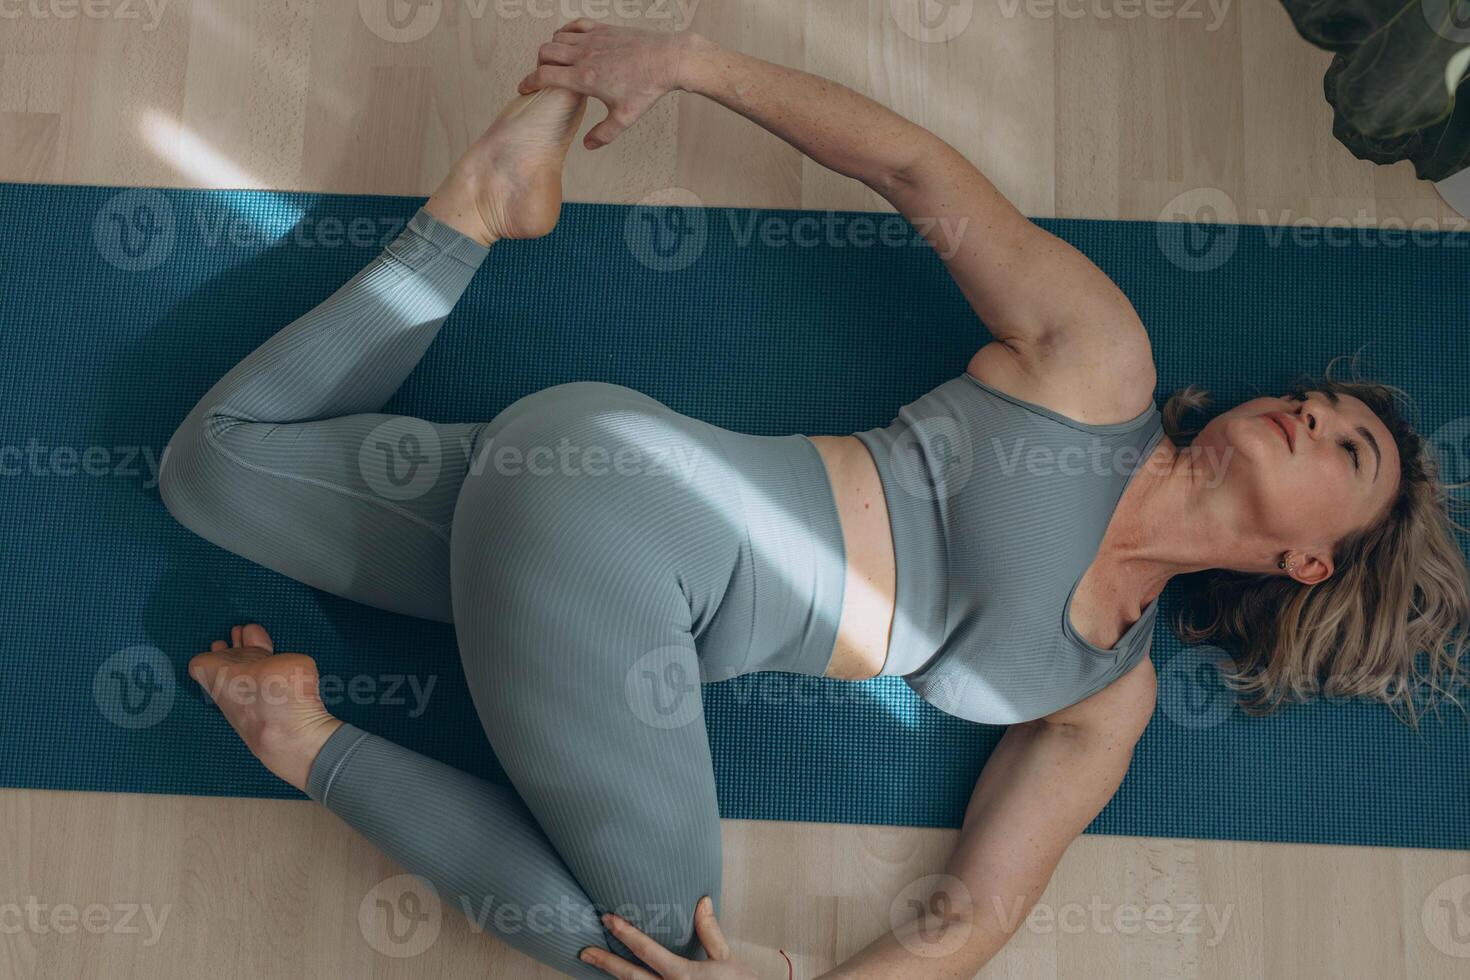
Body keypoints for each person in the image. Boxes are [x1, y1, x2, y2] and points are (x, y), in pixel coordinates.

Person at [159, 22, 1469, 979]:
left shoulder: (1100, 697)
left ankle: (477, 207)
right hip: (625, 515)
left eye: (1345, 451)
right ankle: (303, 744)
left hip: (561, 495)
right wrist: (680, 62)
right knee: (660, 957)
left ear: (1310, 562)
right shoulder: (1101, 366)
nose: (1311, 415)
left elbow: (972, 917)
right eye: (1320, 404)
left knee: (213, 467)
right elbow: (913, 171)